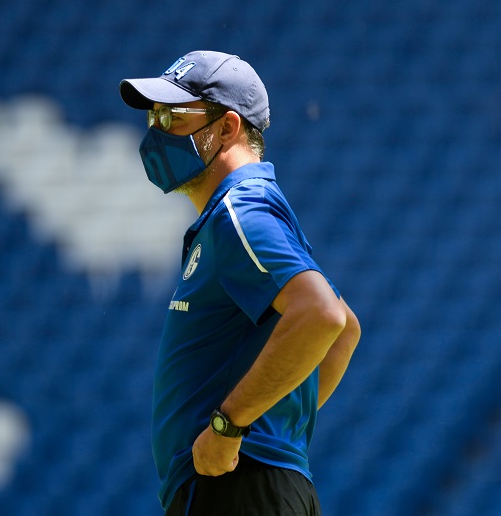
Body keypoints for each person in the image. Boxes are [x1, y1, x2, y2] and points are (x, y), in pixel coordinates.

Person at [119, 50, 361, 515]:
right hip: (252, 486)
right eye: (153, 117)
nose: (155, 133)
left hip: (238, 490)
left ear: (227, 128)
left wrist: (231, 427)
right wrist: (266, 425)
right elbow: (344, 330)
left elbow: (323, 317)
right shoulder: (243, 209)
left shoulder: (239, 210)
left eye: (171, 116)